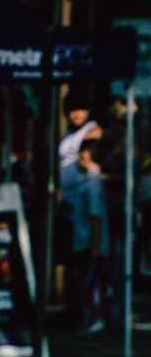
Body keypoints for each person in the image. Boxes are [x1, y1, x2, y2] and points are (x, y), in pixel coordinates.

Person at [60, 133, 109, 336]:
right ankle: (89, 317)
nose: (83, 156)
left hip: (90, 241)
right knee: (86, 282)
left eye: (87, 153)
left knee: (93, 283)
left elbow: (95, 216)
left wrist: (96, 245)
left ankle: (96, 318)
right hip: (82, 239)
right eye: (82, 152)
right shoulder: (83, 179)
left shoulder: (93, 182)